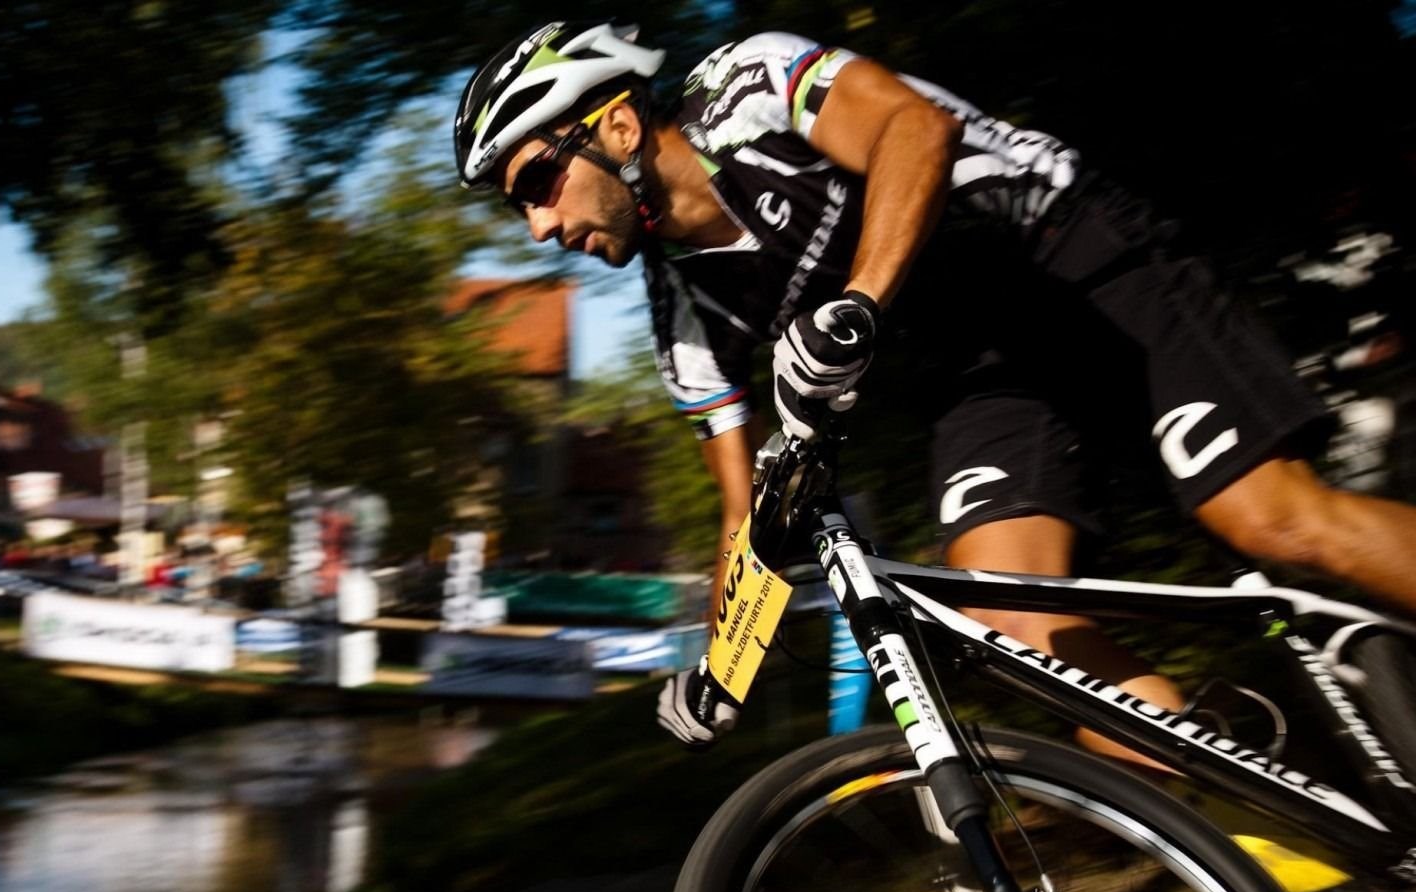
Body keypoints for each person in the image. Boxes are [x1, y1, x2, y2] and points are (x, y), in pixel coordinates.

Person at [452, 20, 1416, 754]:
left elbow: (915, 127)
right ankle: (1263, 853)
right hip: (982, 364)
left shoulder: (748, 85)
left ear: (617, 125)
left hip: (1067, 253)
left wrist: (858, 303)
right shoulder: (685, 318)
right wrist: (722, 669)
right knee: (1016, 624)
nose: (540, 226)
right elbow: (748, 516)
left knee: (1270, 518)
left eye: (537, 182)